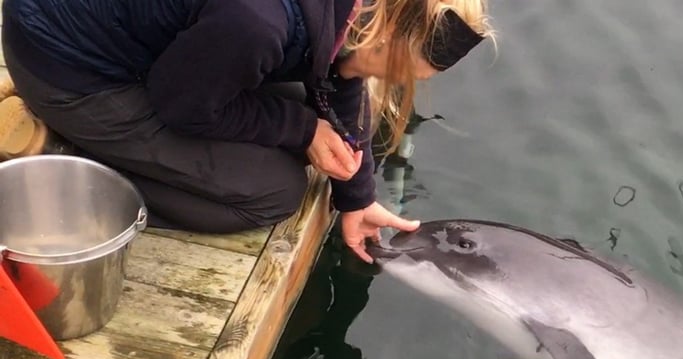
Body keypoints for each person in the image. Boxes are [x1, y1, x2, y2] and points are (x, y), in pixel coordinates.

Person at [0, 0, 492, 262]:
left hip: (131, 39)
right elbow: (184, 108)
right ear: (383, 34)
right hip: (71, 71)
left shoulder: (358, 10)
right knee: (272, 191)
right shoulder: (255, 24)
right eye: (397, 73)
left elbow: (343, 72)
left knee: (302, 103)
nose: (388, 84)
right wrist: (301, 130)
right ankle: (69, 152)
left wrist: (356, 196)